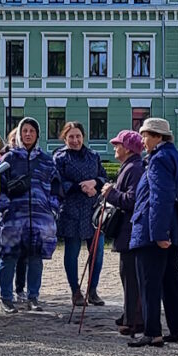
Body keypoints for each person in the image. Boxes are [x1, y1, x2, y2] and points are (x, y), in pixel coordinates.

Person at [127, 118, 178, 348]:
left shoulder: (159, 159)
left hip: (154, 231)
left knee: (150, 282)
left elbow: (160, 197)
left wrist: (159, 233)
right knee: (171, 280)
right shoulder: (175, 156)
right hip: (173, 228)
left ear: (158, 136)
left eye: (145, 135)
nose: (142, 140)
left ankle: (152, 332)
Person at [0, 117, 60, 314]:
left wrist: (53, 208)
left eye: (32, 131)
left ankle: (33, 297)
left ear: (37, 134)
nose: (28, 134)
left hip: (40, 219)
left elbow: (56, 187)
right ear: (19, 134)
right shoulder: (9, 159)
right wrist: (4, 207)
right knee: (8, 257)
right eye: (24, 131)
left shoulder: (47, 160)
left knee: (35, 259)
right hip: (13, 218)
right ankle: (6, 298)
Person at [54, 121, 108, 306]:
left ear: (83, 137)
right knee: (72, 252)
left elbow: (104, 176)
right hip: (72, 209)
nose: (75, 140)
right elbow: (57, 182)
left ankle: (93, 290)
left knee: (97, 252)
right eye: (71, 137)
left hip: (93, 210)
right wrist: (80, 187)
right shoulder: (60, 157)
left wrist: (95, 183)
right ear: (65, 138)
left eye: (78, 136)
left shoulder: (93, 155)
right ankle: (75, 291)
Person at [101, 130, 146, 336]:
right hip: (127, 230)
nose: (115, 147)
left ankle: (134, 319)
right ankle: (130, 314)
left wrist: (111, 194)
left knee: (131, 276)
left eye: (118, 144)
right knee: (127, 274)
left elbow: (132, 200)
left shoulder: (134, 168)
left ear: (127, 148)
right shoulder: (130, 166)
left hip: (130, 230)